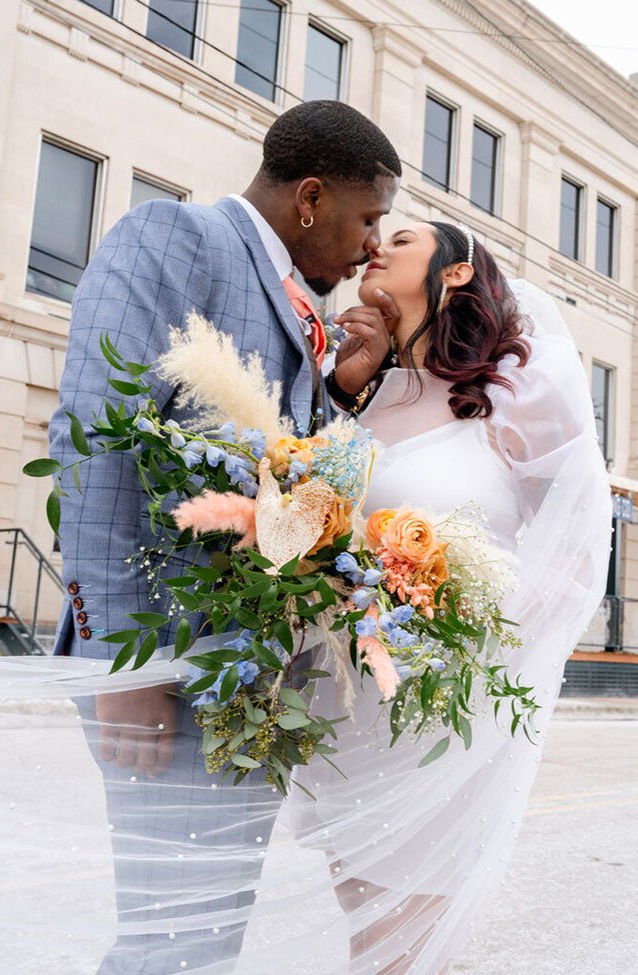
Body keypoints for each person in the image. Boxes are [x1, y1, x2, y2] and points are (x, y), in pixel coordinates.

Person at [46, 100, 401, 973]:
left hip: (247, 681)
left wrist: (344, 395)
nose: (369, 249)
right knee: (174, 942)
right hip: (162, 668)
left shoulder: (292, 297)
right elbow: (96, 432)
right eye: (368, 219)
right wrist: (127, 669)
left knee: (204, 936)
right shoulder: (177, 238)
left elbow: (284, 489)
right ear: (310, 197)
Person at [288, 221, 611, 974]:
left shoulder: (512, 389)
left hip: (439, 702)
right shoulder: (366, 388)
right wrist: (341, 388)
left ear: (456, 273)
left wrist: (472, 630)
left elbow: (578, 537)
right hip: (348, 703)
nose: (375, 245)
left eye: (398, 238)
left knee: (399, 947)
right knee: (368, 929)